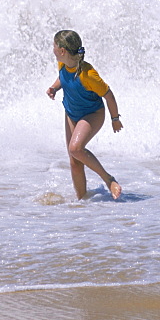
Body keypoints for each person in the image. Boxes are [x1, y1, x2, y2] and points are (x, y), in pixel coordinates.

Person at [46, 30, 123, 200]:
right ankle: (82, 201)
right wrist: (54, 88)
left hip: (92, 114)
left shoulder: (88, 74)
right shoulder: (63, 64)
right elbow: (62, 77)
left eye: (54, 46)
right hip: (71, 113)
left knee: (75, 148)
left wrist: (115, 119)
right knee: (74, 161)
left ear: (62, 51)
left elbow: (109, 95)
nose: (52, 50)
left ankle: (108, 179)